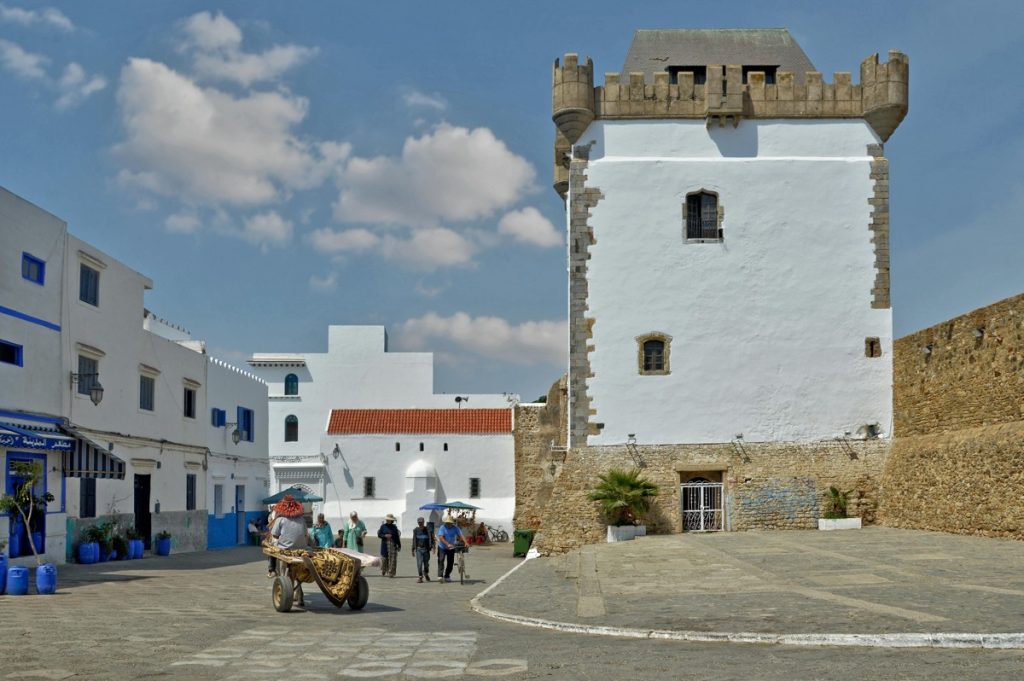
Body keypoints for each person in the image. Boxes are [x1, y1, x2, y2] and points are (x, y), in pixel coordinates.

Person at [266, 496, 308, 578]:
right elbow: (305, 534)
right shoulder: (302, 519)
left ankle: (272, 570)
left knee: (271, 546)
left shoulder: (280, 519)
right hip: (302, 547)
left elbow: (275, 535)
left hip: (286, 548)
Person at [436, 515, 466, 583]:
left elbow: (461, 535)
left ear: (452, 523)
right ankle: (440, 576)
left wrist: (466, 542)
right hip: (442, 547)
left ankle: (447, 576)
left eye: (450, 523)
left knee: (450, 562)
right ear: (446, 522)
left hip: (451, 547)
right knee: (441, 560)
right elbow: (441, 537)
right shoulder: (442, 527)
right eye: (447, 523)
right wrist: (447, 544)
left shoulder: (455, 528)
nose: (449, 524)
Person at [410, 516, 435, 583]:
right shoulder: (416, 530)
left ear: (424, 522)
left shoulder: (428, 530)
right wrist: (412, 550)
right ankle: (420, 577)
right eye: (419, 522)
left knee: (426, 564)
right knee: (419, 563)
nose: (420, 524)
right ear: (418, 523)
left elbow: (432, 539)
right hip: (419, 550)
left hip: (426, 550)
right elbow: (414, 540)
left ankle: (426, 573)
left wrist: (433, 547)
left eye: (421, 522)